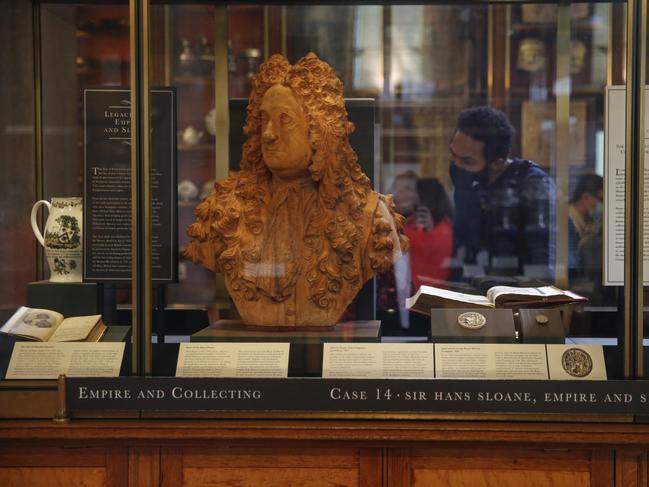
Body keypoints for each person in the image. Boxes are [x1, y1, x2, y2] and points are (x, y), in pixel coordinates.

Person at [185, 53, 409, 328]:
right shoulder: (220, 212)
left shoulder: (370, 217)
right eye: (264, 120)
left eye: (285, 120)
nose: (268, 133)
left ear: (320, 129)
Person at [449, 106, 555, 278]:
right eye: (453, 155)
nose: (457, 165)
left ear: (497, 163)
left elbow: (541, 260)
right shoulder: (468, 184)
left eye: (467, 161)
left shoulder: (533, 185)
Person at [568, 174, 603, 285]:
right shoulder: (566, 222)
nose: (602, 204)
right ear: (585, 197)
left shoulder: (589, 221)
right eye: (600, 199)